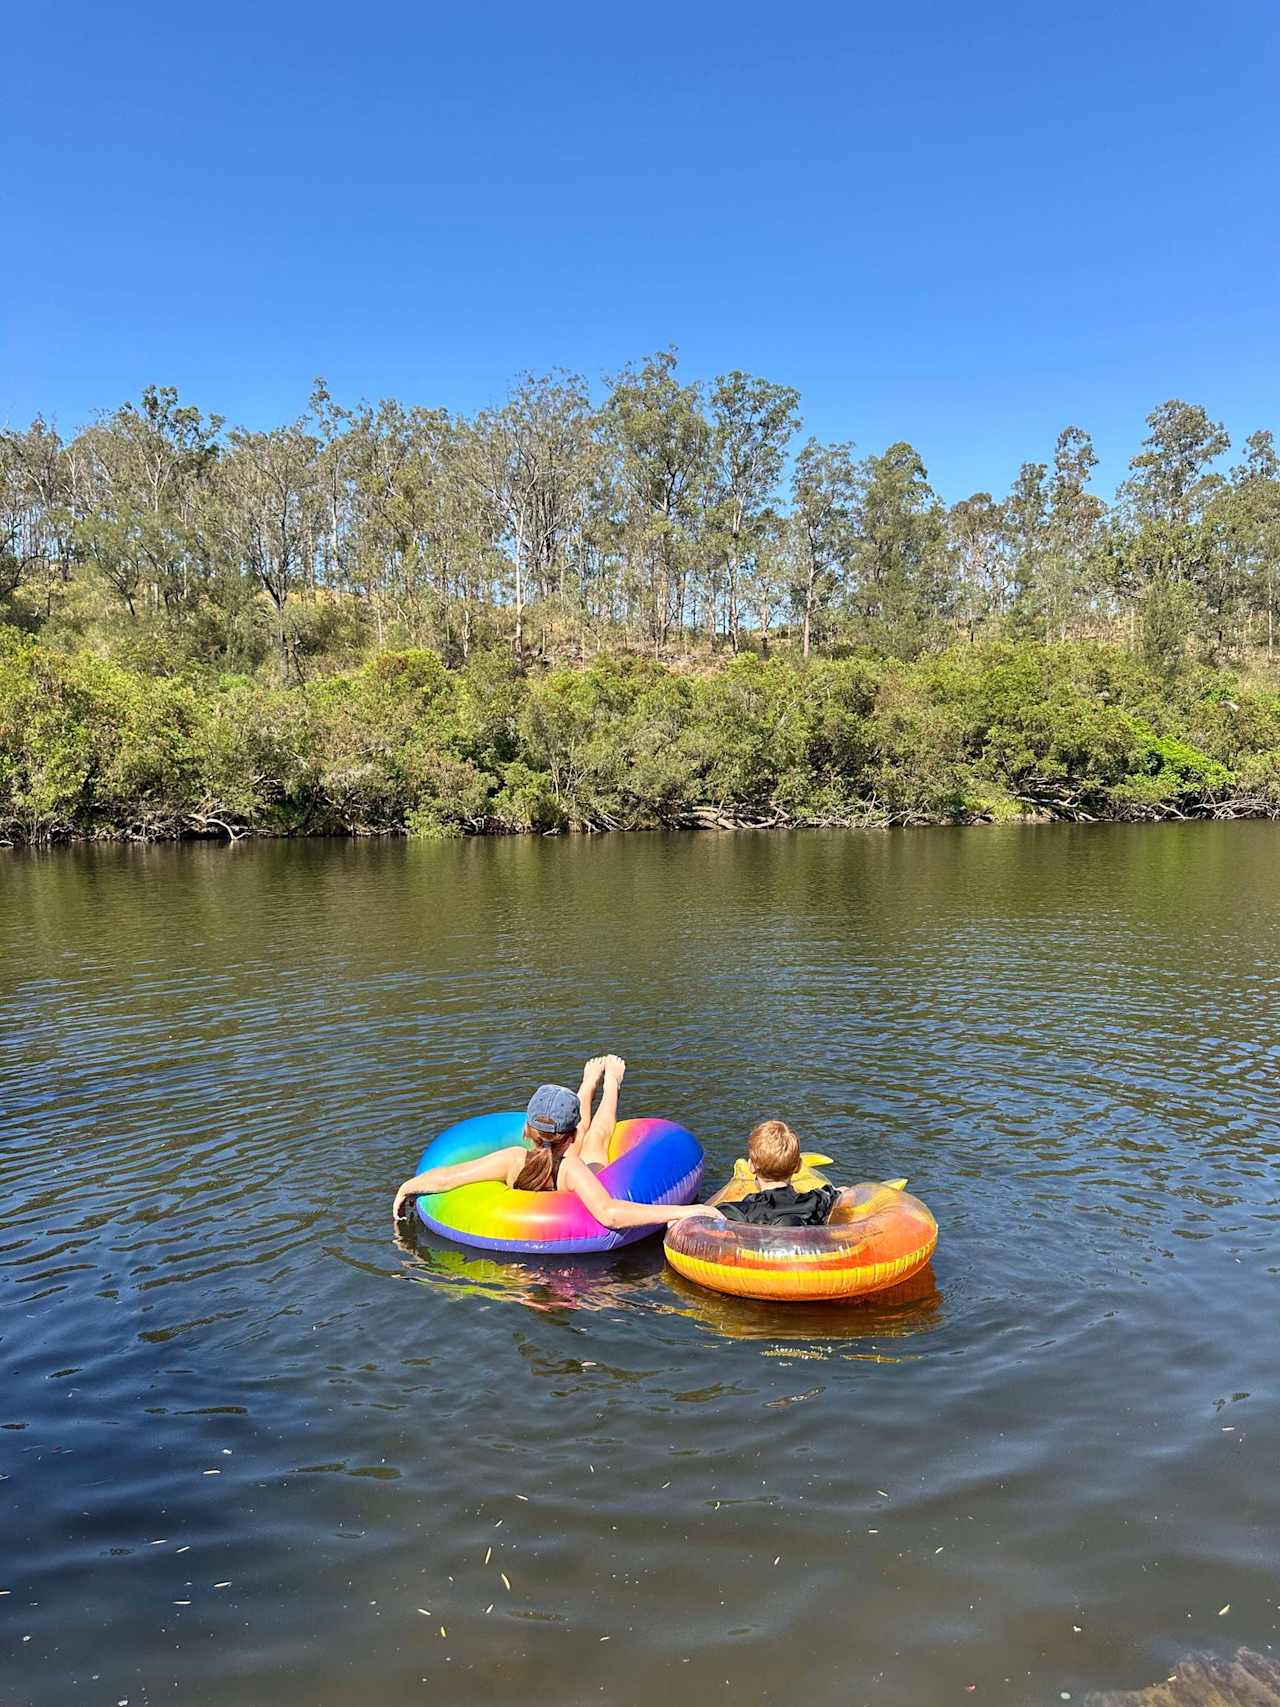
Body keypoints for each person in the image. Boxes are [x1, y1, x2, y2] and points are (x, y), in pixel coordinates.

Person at [392, 1055, 721, 1232]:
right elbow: (609, 1214)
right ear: (571, 1135)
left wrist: (408, 1187)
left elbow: (448, 1177)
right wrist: (691, 1209)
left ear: (525, 1130)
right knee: (600, 1137)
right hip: (576, 1166)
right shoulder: (575, 1169)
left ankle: (586, 1084)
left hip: (552, 1157)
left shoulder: (511, 1159)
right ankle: (610, 1085)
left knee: (586, 1139)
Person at [707, 1119, 846, 1228]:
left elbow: (703, 1216)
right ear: (798, 1167)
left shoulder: (742, 1211)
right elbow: (844, 1192)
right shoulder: (817, 1200)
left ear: (751, 1167)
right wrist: (839, 1191)